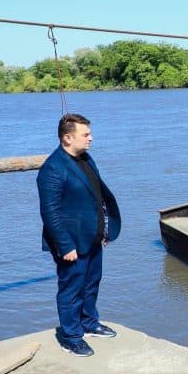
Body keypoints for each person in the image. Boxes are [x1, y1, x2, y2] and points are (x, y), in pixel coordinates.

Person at [37, 113, 122, 358]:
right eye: (85, 135)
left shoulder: (85, 159)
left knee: (92, 282)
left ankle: (89, 322)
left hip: (92, 236)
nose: (91, 139)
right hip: (70, 242)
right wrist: (65, 245)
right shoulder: (52, 169)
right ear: (67, 138)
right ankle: (71, 336)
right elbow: (50, 213)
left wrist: (103, 229)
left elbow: (97, 196)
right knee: (71, 289)